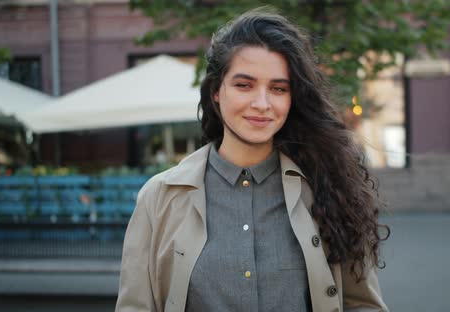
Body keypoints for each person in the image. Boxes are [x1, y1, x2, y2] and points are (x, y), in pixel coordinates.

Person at [116, 8, 390, 312]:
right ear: (216, 91)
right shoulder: (159, 198)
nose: (262, 104)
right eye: (244, 85)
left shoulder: (327, 189)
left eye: (278, 88)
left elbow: (363, 305)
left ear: (292, 98)